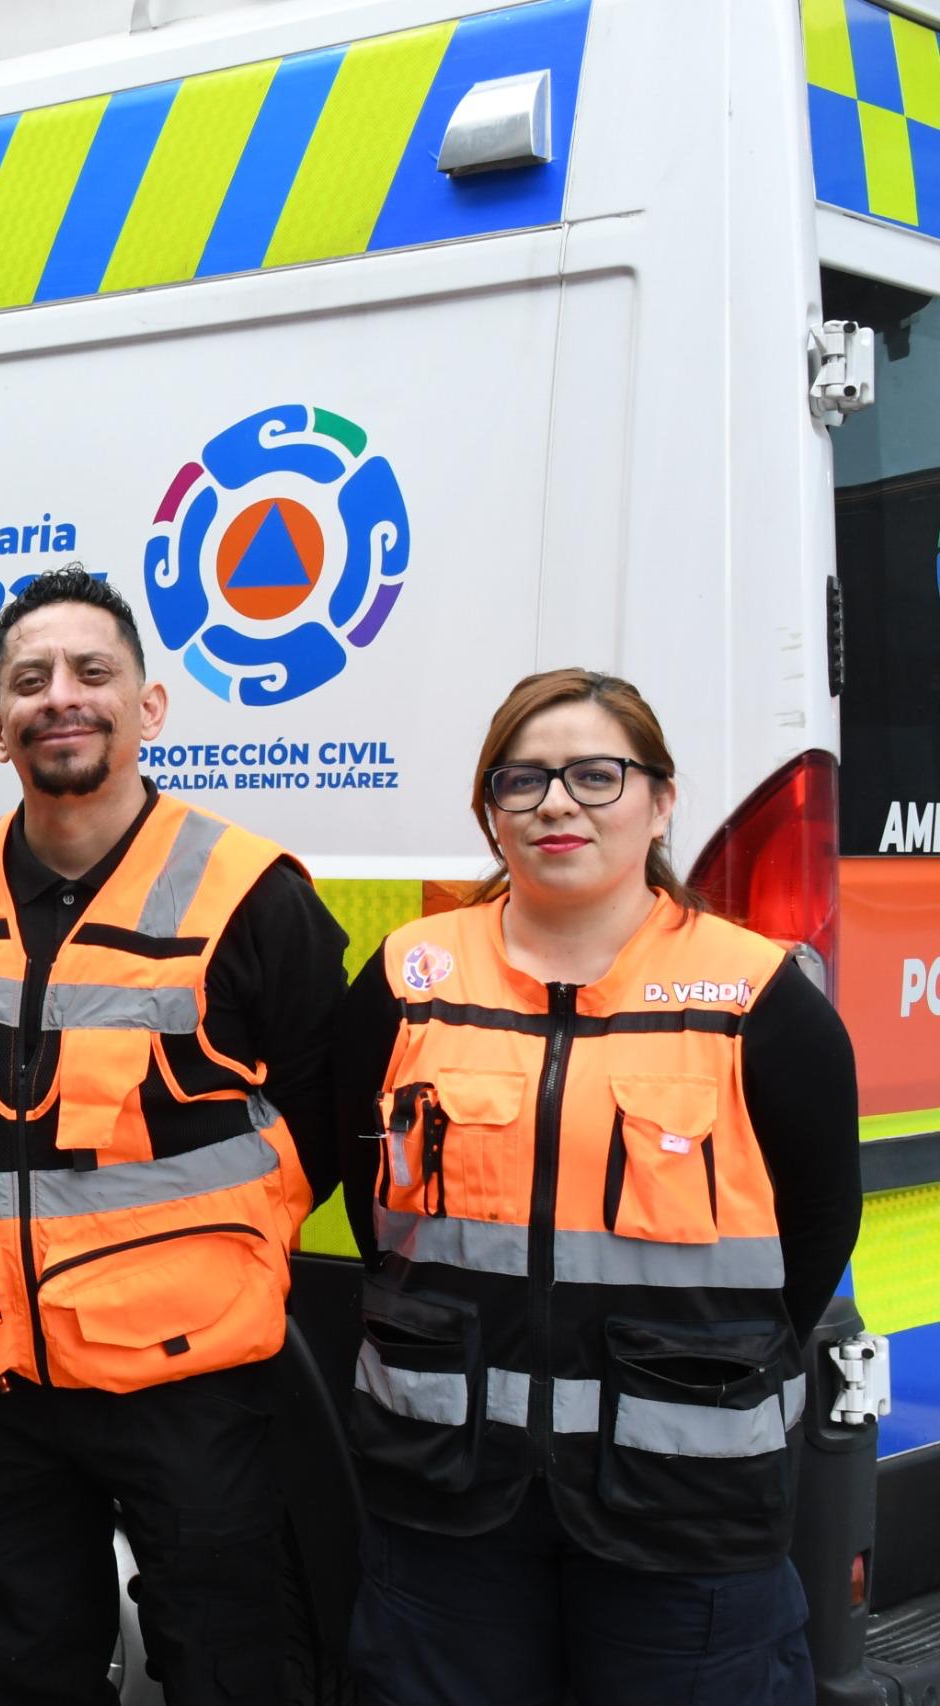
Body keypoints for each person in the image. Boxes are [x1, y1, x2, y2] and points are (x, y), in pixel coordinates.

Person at [0, 567, 349, 1706]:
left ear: (149, 706)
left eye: (92, 671)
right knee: (18, 1671)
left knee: (228, 1672)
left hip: (188, 1378)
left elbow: (322, 1119)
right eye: (30, 680)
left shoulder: (248, 892)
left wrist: (211, 1262)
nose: (61, 697)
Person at [336, 668, 862, 1705]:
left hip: (682, 1505)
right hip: (446, 1497)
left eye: (595, 774)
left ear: (661, 801)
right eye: (522, 779)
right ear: (490, 811)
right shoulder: (406, 978)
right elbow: (369, 1196)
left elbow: (814, 1234)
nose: (556, 802)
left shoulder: (756, 996)